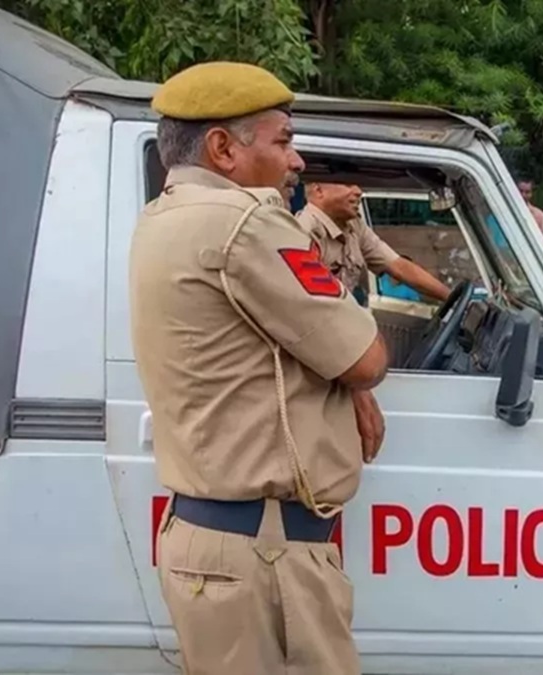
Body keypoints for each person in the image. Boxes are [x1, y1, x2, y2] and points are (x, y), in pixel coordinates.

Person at [128, 61, 390, 675]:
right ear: (223, 147)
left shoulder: (162, 216)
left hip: (217, 542)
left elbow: (259, 349)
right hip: (264, 555)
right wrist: (352, 378)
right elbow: (367, 357)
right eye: (284, 140)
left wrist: (343, 381)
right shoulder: (245, 222)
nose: (297, 161)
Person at [296, 182, 452, 305]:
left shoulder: (354, 226)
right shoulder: (304, 232)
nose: (358, 191)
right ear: (318, 191)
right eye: (348, 185)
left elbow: (399, 267)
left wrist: (451, 298)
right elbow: (310, 306)